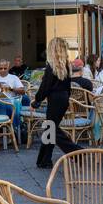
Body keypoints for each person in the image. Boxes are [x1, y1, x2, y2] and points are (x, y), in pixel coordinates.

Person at [33, 37, 78, 171]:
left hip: (55, 99)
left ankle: (76, 152)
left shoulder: (51, 67)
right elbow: (68, 87)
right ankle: (44, 160)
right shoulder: (66, 65)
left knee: (52, 129)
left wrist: (36, 100)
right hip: (63, 98)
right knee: (50, 129)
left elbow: (45, 86)